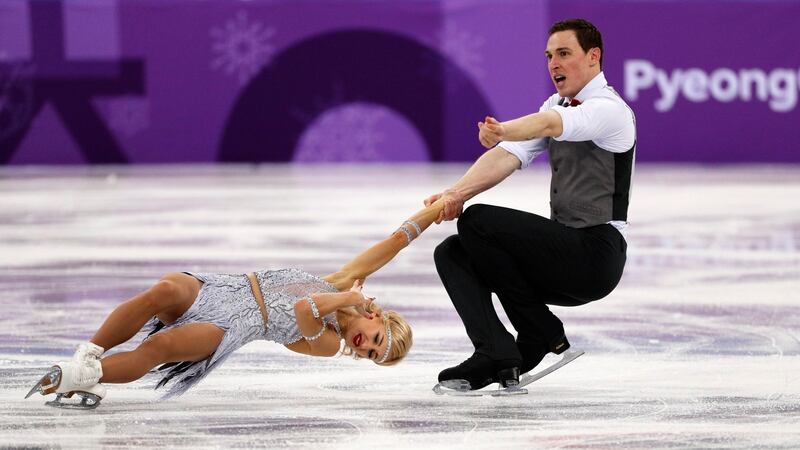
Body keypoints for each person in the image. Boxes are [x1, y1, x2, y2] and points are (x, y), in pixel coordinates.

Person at [26, 199, 446, 408]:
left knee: (160, 347)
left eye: (370, 355)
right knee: (164, 291)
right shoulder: (340, 284)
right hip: (224, 287)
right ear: (377, 317)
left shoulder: (328, 343)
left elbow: (304, 310)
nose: (363, 346)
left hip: (233, 327)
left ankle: (84, 376)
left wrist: (348, 297)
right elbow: (395, 241)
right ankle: (90, 353)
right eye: (375, 340)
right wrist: (438, 209)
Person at [426, 18, 636, 391]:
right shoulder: (556, 104)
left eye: (564, 53)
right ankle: (496, 351)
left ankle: (539, 329)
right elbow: (509, 154)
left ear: (593, 56)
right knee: (452, 253)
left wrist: (502, 128)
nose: (554, 64)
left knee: (478, 222)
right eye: (549, 56)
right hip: (561, 255)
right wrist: (455, 194)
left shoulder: (609, 109)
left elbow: (550, 125)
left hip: (596, 257)